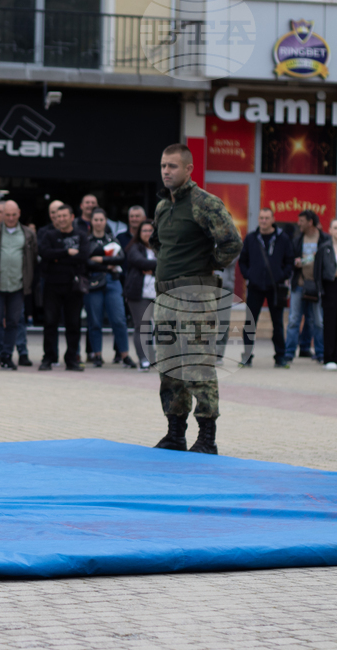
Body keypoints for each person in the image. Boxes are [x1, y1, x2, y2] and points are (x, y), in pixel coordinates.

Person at [151, 143, 242, 455]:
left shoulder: (205, 203)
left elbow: (231, 242)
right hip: (165, 297)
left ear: (188, 169)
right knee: (169, 367)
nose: (166, 171)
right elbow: (157, 243)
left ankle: (207, 439)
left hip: (195, 297)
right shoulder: (163, 206)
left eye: (173, 166)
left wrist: (209, 265)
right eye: (163, 166)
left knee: (197, 366)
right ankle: (175, 433)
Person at [0, 201, 36, 371]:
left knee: (13, 322)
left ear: (19, 213)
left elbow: (33, 258)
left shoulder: (28, 234)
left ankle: (6, 356)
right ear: (1, 214)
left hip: (17, 286)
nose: (10, 218)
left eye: (14, 215)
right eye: (7, 215)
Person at [238, 208, 294, 368]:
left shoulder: (282, 239)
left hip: (275, 287)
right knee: (250, 322)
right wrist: (249, 274)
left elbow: (289, 261)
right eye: (261, 218)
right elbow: (242, 260)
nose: (263, 221)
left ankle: (280, 356)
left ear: (273, 219)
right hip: (255, 286)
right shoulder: (251, 238)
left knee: (277, 323)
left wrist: (281, 275)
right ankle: (247, 356)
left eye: (267, 218)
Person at [37, 205, 88, 372]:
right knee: (50, 322)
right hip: (52, 285)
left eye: (65, 216)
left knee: (73, 324)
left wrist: (57, 257)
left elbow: (83, 256)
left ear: (72, 216)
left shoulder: (80, 235)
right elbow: (44, 253)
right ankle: (49, 358)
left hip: (73, 287)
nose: (61, 219)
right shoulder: (48, 235)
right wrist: (67, 253)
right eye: (58, 216)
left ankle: (71, 359)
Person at [84, 207, 134, 369]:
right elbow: (87, 262)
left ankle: (124, 354)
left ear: (106, 221)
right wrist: (108, 261)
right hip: (93, 283)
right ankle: (97, 355)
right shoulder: (87, 240)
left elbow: (121, 259)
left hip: (113, 282)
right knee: (95, 321)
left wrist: (99, 259)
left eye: (101, 219)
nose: (98, 223)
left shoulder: (112, 238)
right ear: (91, 222)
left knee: (119, 320)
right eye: (95, 220)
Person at [284, 210, 335, 366]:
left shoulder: (325, 240)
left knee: (319, 321)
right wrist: (295, 262)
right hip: (299, 284)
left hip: (318, 286)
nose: (298, 223)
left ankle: (321, 353)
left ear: (310, 222)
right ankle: (288, 353)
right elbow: (289, 259)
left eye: (301, 221)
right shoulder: (298, 240)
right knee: (294, 319)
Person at [124, 220, 157, 371]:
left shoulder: (161, 248)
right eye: (144, 230)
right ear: (139, 233)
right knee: (142, 327)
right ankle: (144, 359)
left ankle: (155, 358)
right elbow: (138, 261)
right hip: (139, 293)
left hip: (159, 292)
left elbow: (169, 263)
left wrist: (151, 268)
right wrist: (156, 265)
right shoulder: (133, 247)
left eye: (150, 230)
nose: (147, 233)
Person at [323, 219, 337, 371]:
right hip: (330, 288)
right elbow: (318, 271)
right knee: (329, 323)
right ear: (330, 230)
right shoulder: (325, 248)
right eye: (335, 228)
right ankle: (329, 357)